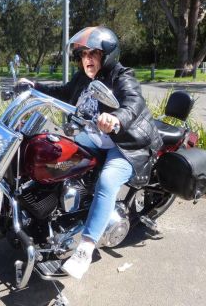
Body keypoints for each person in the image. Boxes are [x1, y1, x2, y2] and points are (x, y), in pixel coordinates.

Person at [16, 26, 162, 280]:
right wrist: (33, 87)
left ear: (108, 55)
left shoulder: (121, 75)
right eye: (83, 55)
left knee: (107, 180)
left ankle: (85, 248)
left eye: (94, 54)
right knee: (50, 155)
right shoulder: (83, 78)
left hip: (125, 145)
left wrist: (116, 118)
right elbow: (61, 93)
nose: (88, 60)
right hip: (93, 140)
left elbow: (132, 102)